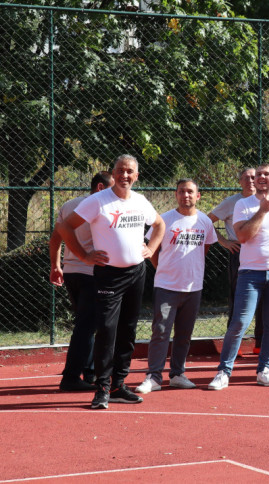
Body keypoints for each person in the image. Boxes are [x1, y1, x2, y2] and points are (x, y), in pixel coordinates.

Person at [60, 154, 165, 410]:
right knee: (107, 331)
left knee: (128, 330)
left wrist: (151, 248)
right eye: (120, 171)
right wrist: (84, 255)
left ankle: (119, 385)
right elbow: (64, 226)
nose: (125, 175)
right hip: (108, 275)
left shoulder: (140, 201)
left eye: (130, 171)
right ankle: (103, 388)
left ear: (136, 176)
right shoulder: (98, 201)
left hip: (136, 274)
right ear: (113, 173)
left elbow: (160, 224)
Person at [208, 164, 269, 390]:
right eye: (258, 175)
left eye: (266, 174)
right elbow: (243, 236)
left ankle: (264, 370)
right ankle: (223, 372)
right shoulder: (244, 204)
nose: (261, 177)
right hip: (249, 274)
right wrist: (262, 210)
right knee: (239, 323)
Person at [135, 179, 217, 393]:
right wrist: (163, 268)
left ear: (198, 196)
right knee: (160, 331)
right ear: (176, 194)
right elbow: (152, 250)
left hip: (193, 287)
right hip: (166, 286)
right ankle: (153, 377)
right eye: (181, 191)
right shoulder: (165, 220)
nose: (186, 195)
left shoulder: (205, 221)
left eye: (190, 192)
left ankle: (177, 374)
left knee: (184, 333)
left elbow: (204, 248)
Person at [49, 170, 114, 392]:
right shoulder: (101, 206)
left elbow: (56, 237)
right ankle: (70, 378)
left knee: (87, 324)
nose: (117, 193)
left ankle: (90, 372)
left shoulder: (69, 204)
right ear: (100, 188)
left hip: (72, 274)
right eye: (112, 187)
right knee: (86, 327)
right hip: (90, 274)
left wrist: (56, 265)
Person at [208, 168, 264, 355]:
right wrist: (224, 242)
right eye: (245, 177)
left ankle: (260, 344)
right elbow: (207, 222)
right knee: (238, 299)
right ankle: (234, 345)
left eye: (253, 177)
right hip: (239, 254)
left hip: (263, 256)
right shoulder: (232, 202)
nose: (250, 180)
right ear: (239, 181)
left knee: (265, 300)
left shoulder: (266, 201)